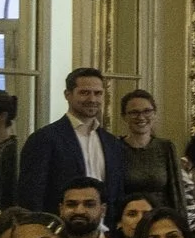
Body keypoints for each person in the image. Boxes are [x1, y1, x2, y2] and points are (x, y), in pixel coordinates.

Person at [16, 67, 128, 217]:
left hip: (105, 234)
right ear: (67, 95)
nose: (92, 99)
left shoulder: (112, 143)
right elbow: (31, 197)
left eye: (98, 93)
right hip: (61, 233)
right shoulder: (44, 139)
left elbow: (117, 196)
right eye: (84, 92)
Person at [116, 89, 187, 220]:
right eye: (134, 112)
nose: (141, 117)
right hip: (128, 222)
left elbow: (177, 191)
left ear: (154, 114)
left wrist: (181, 225)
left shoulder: (166, 147)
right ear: (124, 116)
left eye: (147, 111)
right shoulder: (114, 147)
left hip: (161, 221)